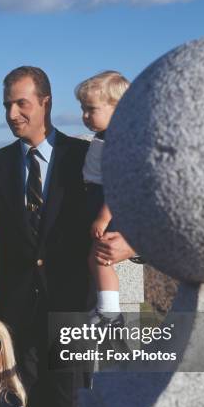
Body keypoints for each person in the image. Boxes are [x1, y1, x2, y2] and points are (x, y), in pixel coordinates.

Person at [0, 65, 136, 407]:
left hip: (71, 312)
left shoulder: (86, 156)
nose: (12, 113)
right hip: (15, 321)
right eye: (7, 104)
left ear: (44, 102)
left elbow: (132, 202)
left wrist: (130, 245)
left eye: (22, 103)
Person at [75, 70, 130, 326]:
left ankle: (110, 311)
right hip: (94, 197)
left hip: (106, 204)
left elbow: (118, 183)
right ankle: (106, 309)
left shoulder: (118, 142)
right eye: (83, 109)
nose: (84, 116)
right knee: (94, 258)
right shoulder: (103, 138)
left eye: (91, 109)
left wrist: (102, 217)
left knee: (99, 258)